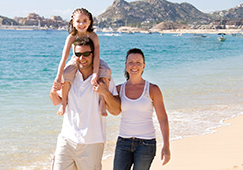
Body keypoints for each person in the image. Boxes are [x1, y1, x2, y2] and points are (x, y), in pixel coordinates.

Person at [50, 37, 121, 170]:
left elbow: (116, 110)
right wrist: (53, 91)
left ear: (93, 55)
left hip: (92, 143)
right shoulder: (69, 77)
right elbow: (55, 101)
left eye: (86, 54)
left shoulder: (103, 79)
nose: (82, 58)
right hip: (66, 140)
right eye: (78, 54)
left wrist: (105, 92)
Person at [113, 48, 170, 170]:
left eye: (138, 62)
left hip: (146, 143)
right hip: (123, 142)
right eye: (131, 62)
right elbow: (110, 109)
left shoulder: (153, 89)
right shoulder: (118, 89)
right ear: (126, 65)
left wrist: (166, 145)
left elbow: (163, 118)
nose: (134, 66)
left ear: (143, 66)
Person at [53, 8, 111, 116]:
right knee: (66, 75)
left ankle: (102, 102)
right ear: (73, 23)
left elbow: (97, 56)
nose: (82, 24)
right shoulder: (72, 37)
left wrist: (95, 74)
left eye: (85, 21)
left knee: (106, 71)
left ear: (90, 22)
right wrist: (58, 76)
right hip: (76, 58)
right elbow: (64, 58)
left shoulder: (93, 36)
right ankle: (64, 102)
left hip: (92, 58)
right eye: (78, 21)